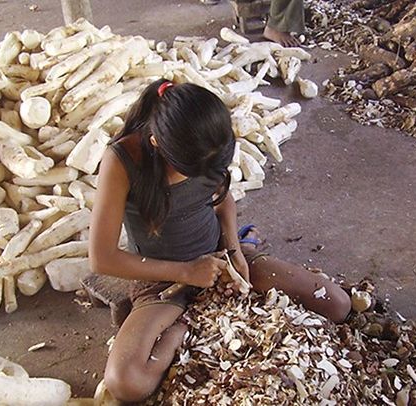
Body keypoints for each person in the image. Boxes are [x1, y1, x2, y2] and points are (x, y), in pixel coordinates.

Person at [89, 79, 351, 402]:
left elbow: (222, 198)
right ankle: (185, 328)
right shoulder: (122, 160)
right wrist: (186, 272)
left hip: (223, 263)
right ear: (157, 144)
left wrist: (233, 248)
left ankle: (204, 311)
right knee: (125, 382)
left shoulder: (207, 139)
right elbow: (101, 258)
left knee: (338, 305)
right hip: (163, 283)